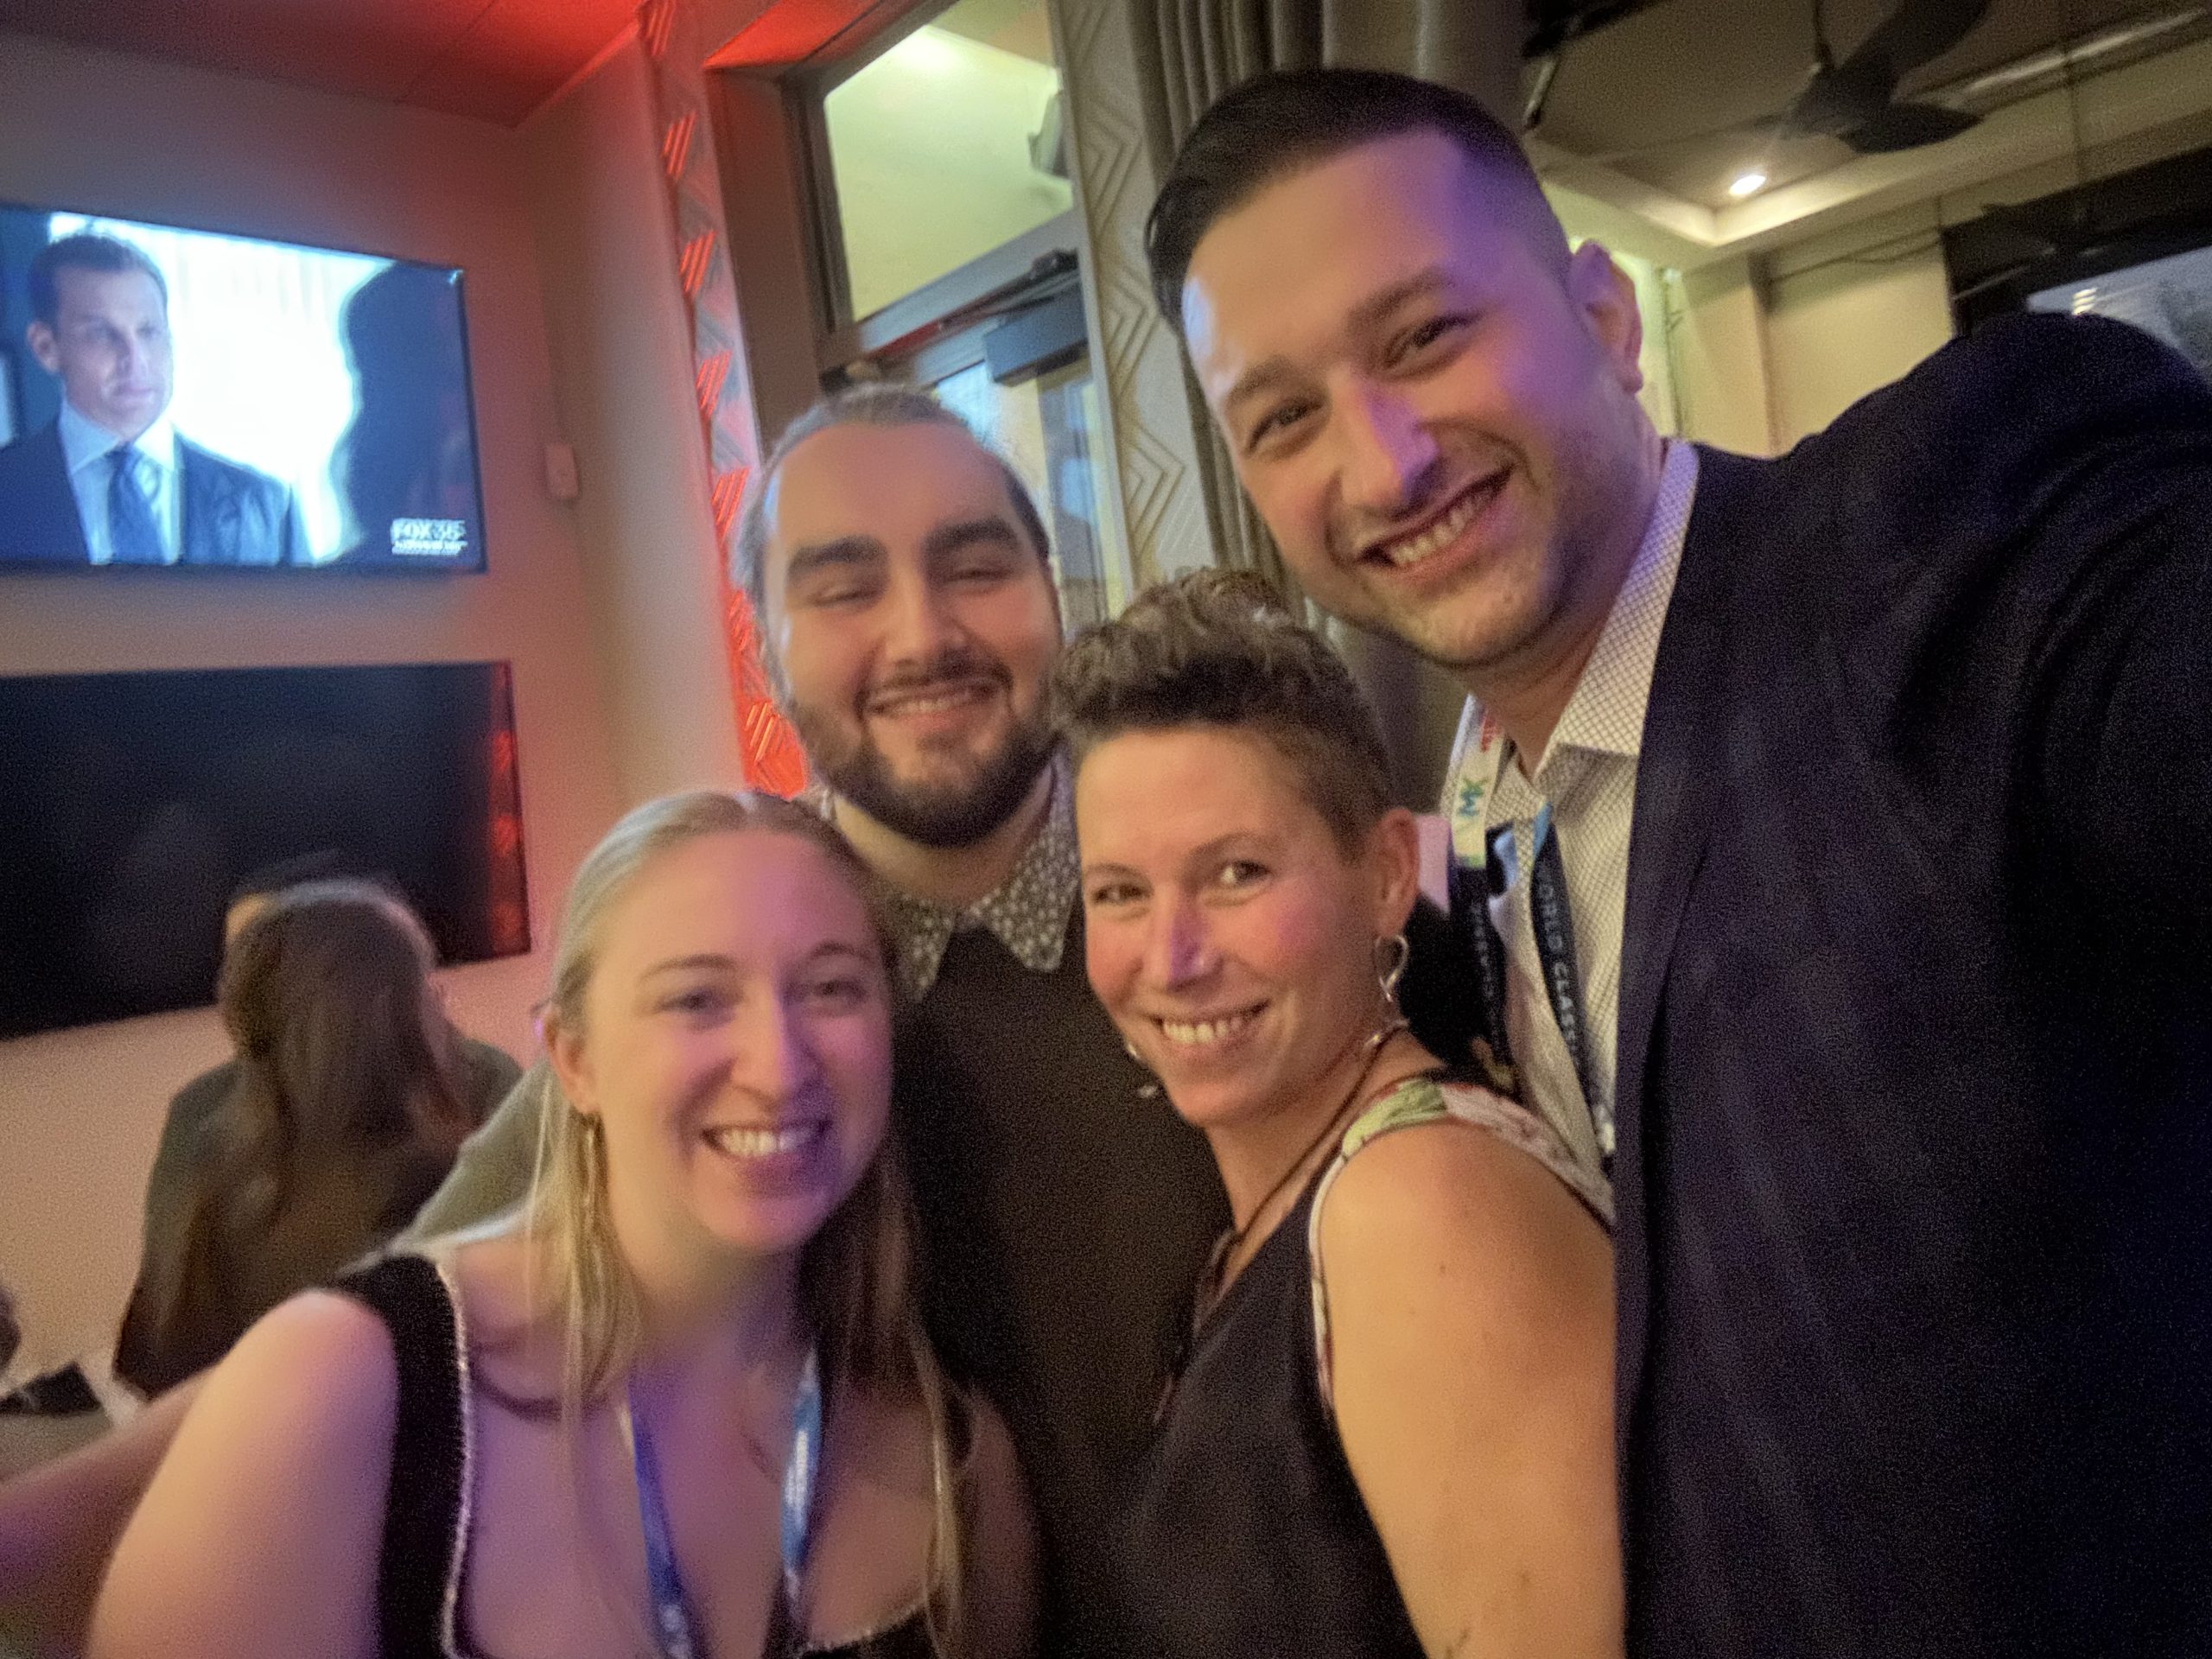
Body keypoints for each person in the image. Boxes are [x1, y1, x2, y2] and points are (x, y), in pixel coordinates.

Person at [1147, 66, 2212, 1659]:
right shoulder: (1477, 813)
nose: (1381, 465)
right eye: (1284, 416)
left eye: (1424, 336)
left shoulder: (1928, 543)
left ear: (1604, 318)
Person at [88, 791, 1036, 1658]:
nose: (778, 1065)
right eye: (696, 999)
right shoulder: (349, 1392)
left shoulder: (953, 1463)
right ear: (573, 1063)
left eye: (831, 988)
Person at [1056, 571, 1618, 1659]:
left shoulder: (1417, 1209)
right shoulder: (1284, 1204)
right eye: (1119, 891)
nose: (1170, 958)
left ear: (1387, 874)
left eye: (1235, 873)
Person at [111, 878, 507, 1397]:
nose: (441, 998)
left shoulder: (208, 1150)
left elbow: (157, 1356)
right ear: (392, 1010)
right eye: (423, 980)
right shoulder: (449, 1178)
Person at [0, 233, 308, 567]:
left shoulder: (267, 506)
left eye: (148, 332)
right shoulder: (9, 487)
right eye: (101, 333)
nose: (135, 359)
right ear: (46, 347)